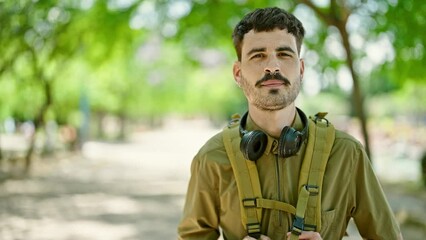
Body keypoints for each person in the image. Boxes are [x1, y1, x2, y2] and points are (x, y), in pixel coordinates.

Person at [178, 7, 403, 240]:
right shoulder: (211, 158)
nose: (273, 66)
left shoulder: (347, 153)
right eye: (258, 56)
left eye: (284, 54)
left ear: (302, 69)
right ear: (238, 73)